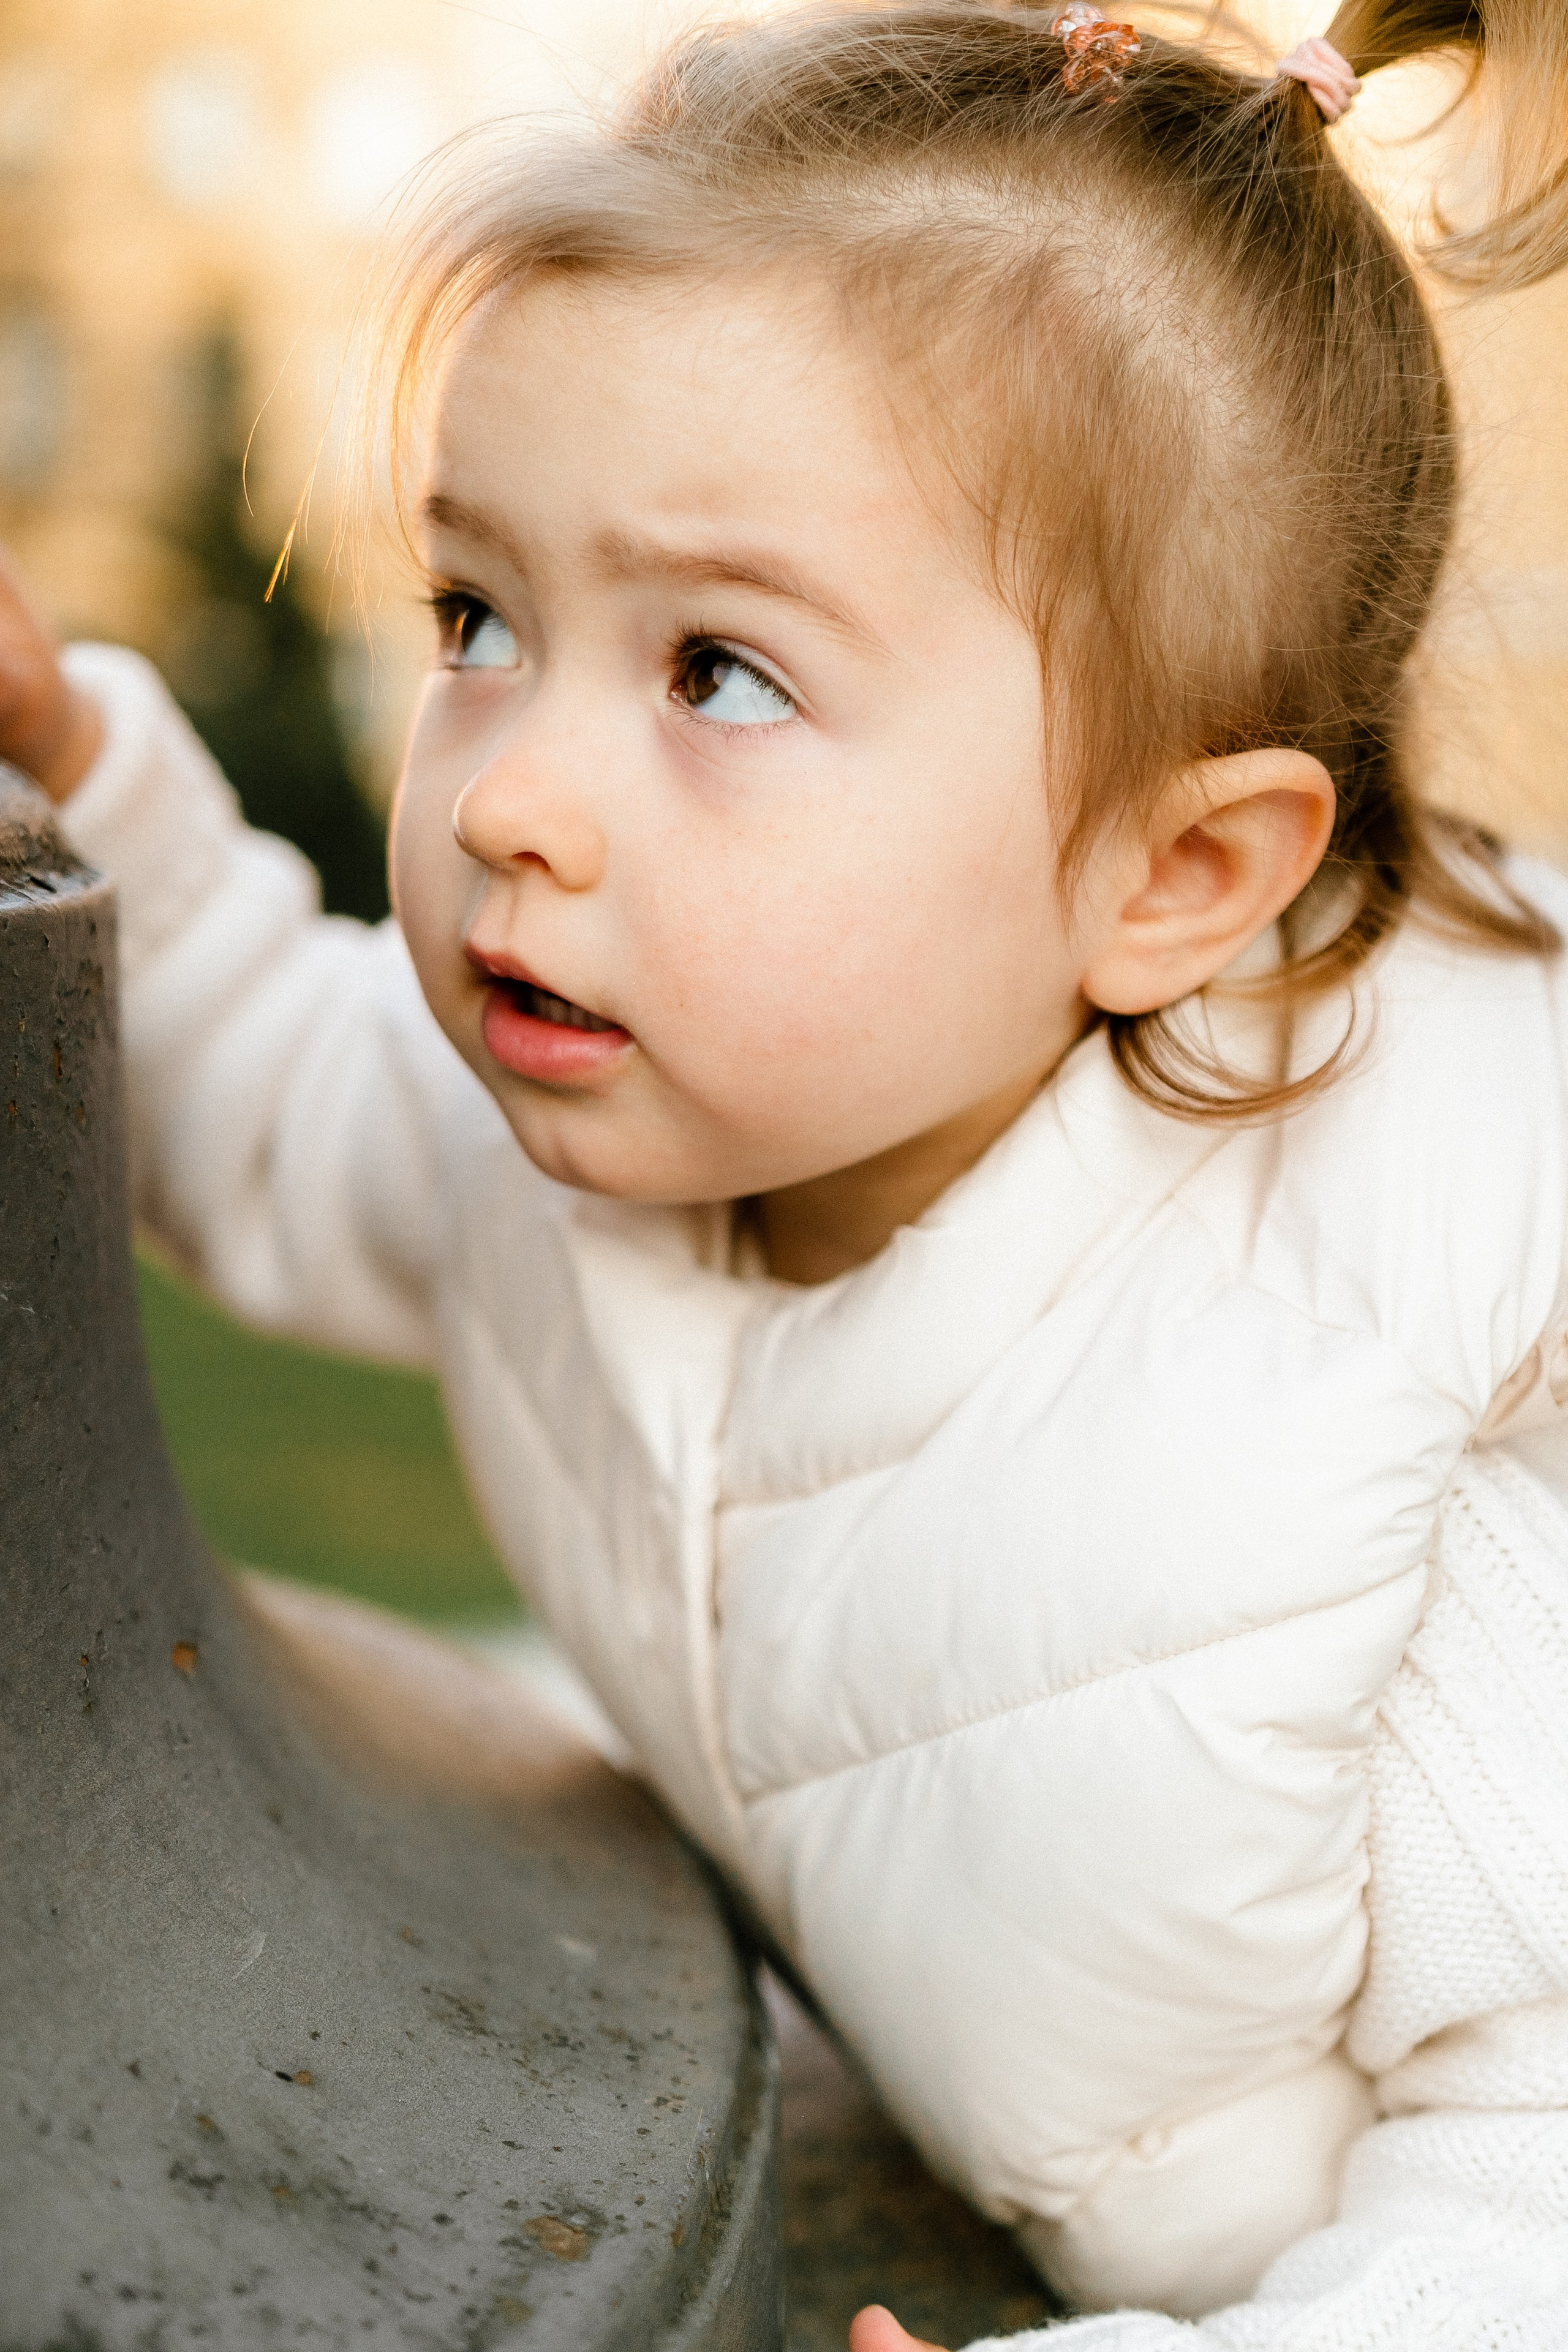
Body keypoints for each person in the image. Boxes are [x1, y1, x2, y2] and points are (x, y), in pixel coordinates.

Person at [6, 1, 1568, 2342]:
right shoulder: (583, 1122)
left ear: (1174, 872)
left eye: (717, 672)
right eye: (478, 620)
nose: (510, 792)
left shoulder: (1375, 1398)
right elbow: (260, 1091)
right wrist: (73, 768)